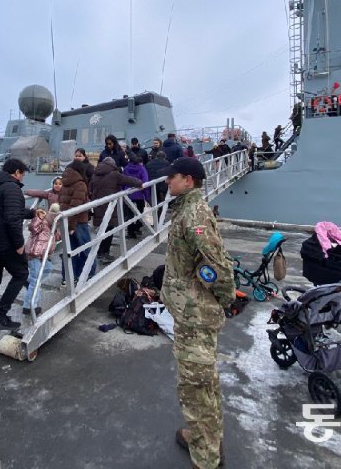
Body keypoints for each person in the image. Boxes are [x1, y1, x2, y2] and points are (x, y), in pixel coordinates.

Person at [160, 157, 234, 469]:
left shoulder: (193, 215)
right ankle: (206, 438)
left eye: (172, 177)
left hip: (196, 315)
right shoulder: (186, 210)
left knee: (197, 386)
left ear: (188, 180)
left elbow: (216, 267)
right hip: (190, 311)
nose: (167, 182)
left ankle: (207, 458)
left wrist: (226, 298)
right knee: (201, 383)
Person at [0, 158, 34, 333]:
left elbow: (6, 211)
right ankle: (0, 315)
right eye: (22, 174)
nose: (22, 178)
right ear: (17, 172)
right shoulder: (12, 188)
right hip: (5, 243)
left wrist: (33, 213)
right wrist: (19, 244)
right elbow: (11, 219)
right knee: (21, 273)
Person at [90, 157, 143, 263]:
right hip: (109, 207)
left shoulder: (95, 174)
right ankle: (104, 253)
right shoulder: (114, 174)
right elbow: (129, 180)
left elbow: (90, 188)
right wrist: (140, 183)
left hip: (97, 205)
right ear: (112, 165)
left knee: (101, 231)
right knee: (109, 230)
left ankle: (100, 253)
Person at [59, 159, 96, 281]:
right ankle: (88, 274)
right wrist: (71, 227)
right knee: (87, 250)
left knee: (70, 252)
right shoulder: (80, 184)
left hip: (66, 221)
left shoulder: (65, 182)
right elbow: (75, 207)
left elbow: (63, 202)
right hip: (78, 222)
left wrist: (67, 225)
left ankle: (69, 277)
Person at [23, 203, 61, 315]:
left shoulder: (52, 226)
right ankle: (29, 307)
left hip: (43, 256)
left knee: (48, 268)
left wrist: (61, 230)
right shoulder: (43, 222)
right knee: (36, 281)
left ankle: (28, 280)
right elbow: (32, 228)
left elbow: (57, 237)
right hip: (35, 254)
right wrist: (38, 217)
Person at [123, 152, 150, 238]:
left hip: (128, 194)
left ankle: (131, 232)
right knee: (140, 212)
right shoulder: (142, 168)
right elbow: (145, 181)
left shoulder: (126, 168)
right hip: (139, 194)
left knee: (129, 214)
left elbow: (123, 180)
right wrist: (147, 197)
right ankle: (137, 227)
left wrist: (122, 191)